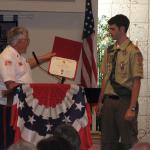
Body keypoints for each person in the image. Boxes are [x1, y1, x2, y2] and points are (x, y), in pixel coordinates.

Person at [0, 26, 55, 149]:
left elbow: (26, 65)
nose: (28, 42)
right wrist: (33, 90)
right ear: (19, 41)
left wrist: (44, 58)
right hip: (8, 106)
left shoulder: (16, 55)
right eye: (27, 40)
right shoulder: (7, 57)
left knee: (15, 138)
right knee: (7, 140)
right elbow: (10, 84)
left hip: (18, 106)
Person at [97, 14, 143, 150]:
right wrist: (100, 101)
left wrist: (132, 107)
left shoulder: (133, 52)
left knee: (129, 141)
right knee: (107, 143)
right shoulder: (109, 51)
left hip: (125, 101)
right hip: (109, 102)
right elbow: (105, 78)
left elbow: (136, 82)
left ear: (122, 29)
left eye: (112, 29)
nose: (109, 32)